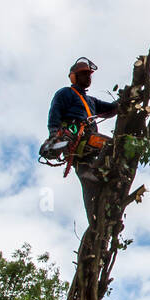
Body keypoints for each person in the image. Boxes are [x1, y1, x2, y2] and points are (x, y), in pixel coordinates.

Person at [47, 58, 119, 224]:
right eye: (84, 74)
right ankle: (96, 222)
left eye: (89, 75)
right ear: (74, 77)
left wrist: (127, 99)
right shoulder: (65, 93)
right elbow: (55, 114)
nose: (88, 78)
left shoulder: (91, 101)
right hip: (78, 139)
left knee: (90, 180)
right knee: (114, 147)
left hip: (88, 146)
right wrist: (54, 135)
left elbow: (111, 109)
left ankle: (100, 220)